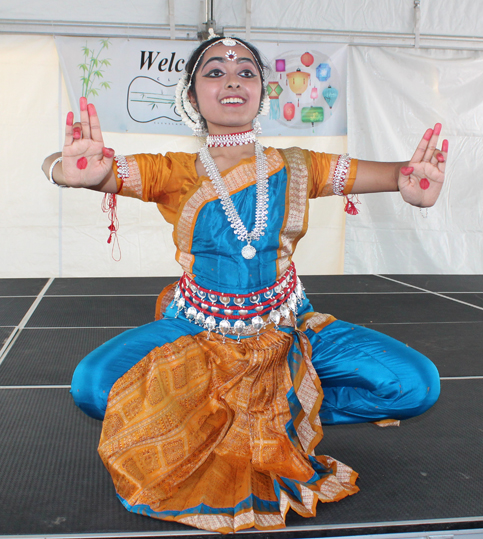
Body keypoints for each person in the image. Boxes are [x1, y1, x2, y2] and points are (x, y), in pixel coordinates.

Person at [42, 35, 447, 534]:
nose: (231, 78)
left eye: (245, 72)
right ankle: (241, 412)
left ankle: (286, 412)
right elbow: (81, 172)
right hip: (196, 330)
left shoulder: (300, 164)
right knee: (93, 388)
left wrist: (412, 182)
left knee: (415, 385)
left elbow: (396, 175)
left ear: (262, 91)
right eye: (213, 72)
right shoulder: (172, 171)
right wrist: (64, 170)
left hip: (287, 328)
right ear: (192, 97)